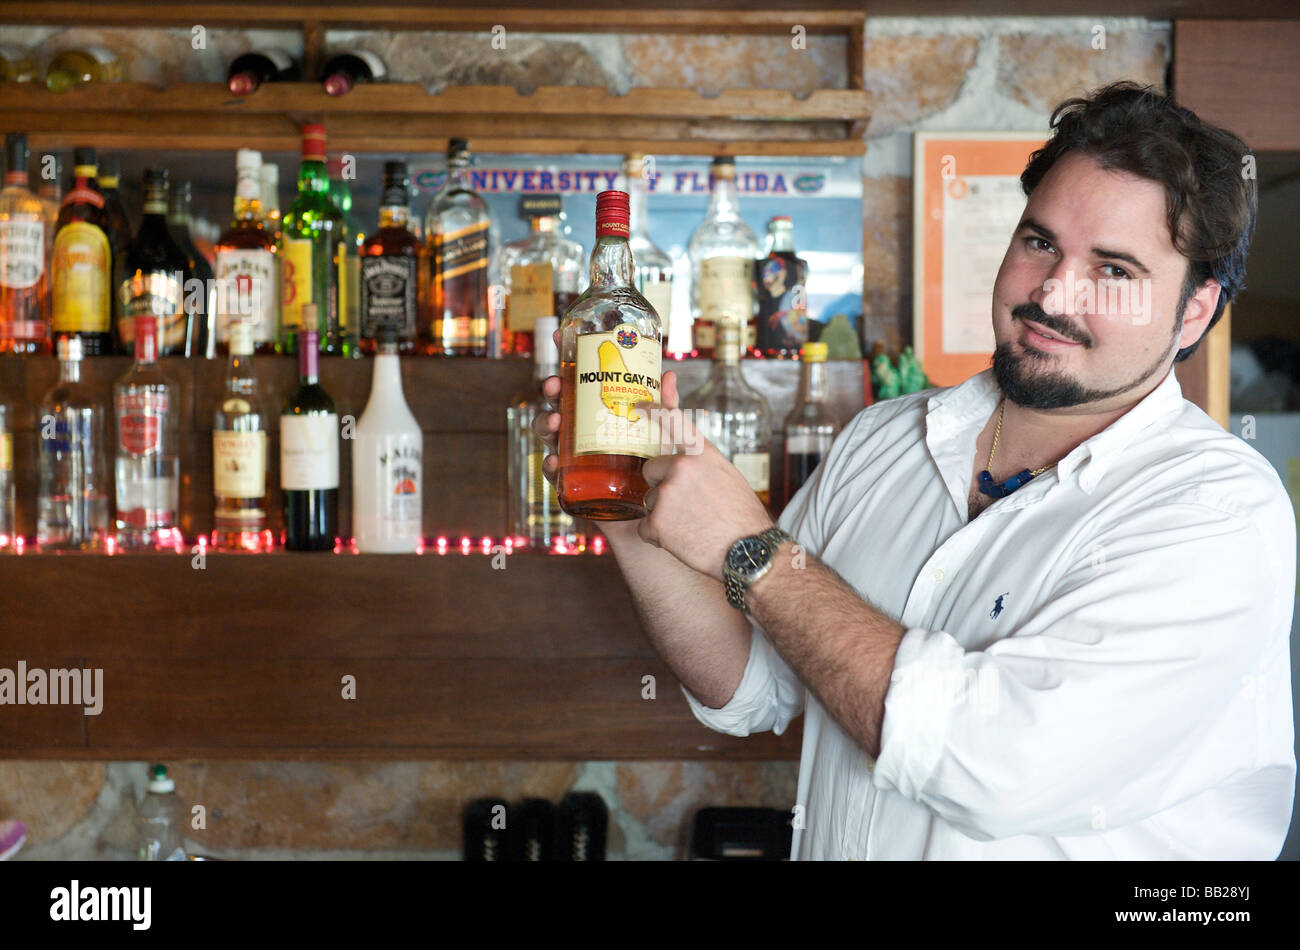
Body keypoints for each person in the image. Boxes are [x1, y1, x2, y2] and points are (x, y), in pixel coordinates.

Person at [534, 82, 1295, 859]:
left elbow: (993, 766)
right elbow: (752, 679)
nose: (1054, 294)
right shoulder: (882, 441)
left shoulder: (1217, 514)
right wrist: (626, 518)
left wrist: (754, 552)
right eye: (1039, 243)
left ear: (1195, 311)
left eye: (1114, 270)